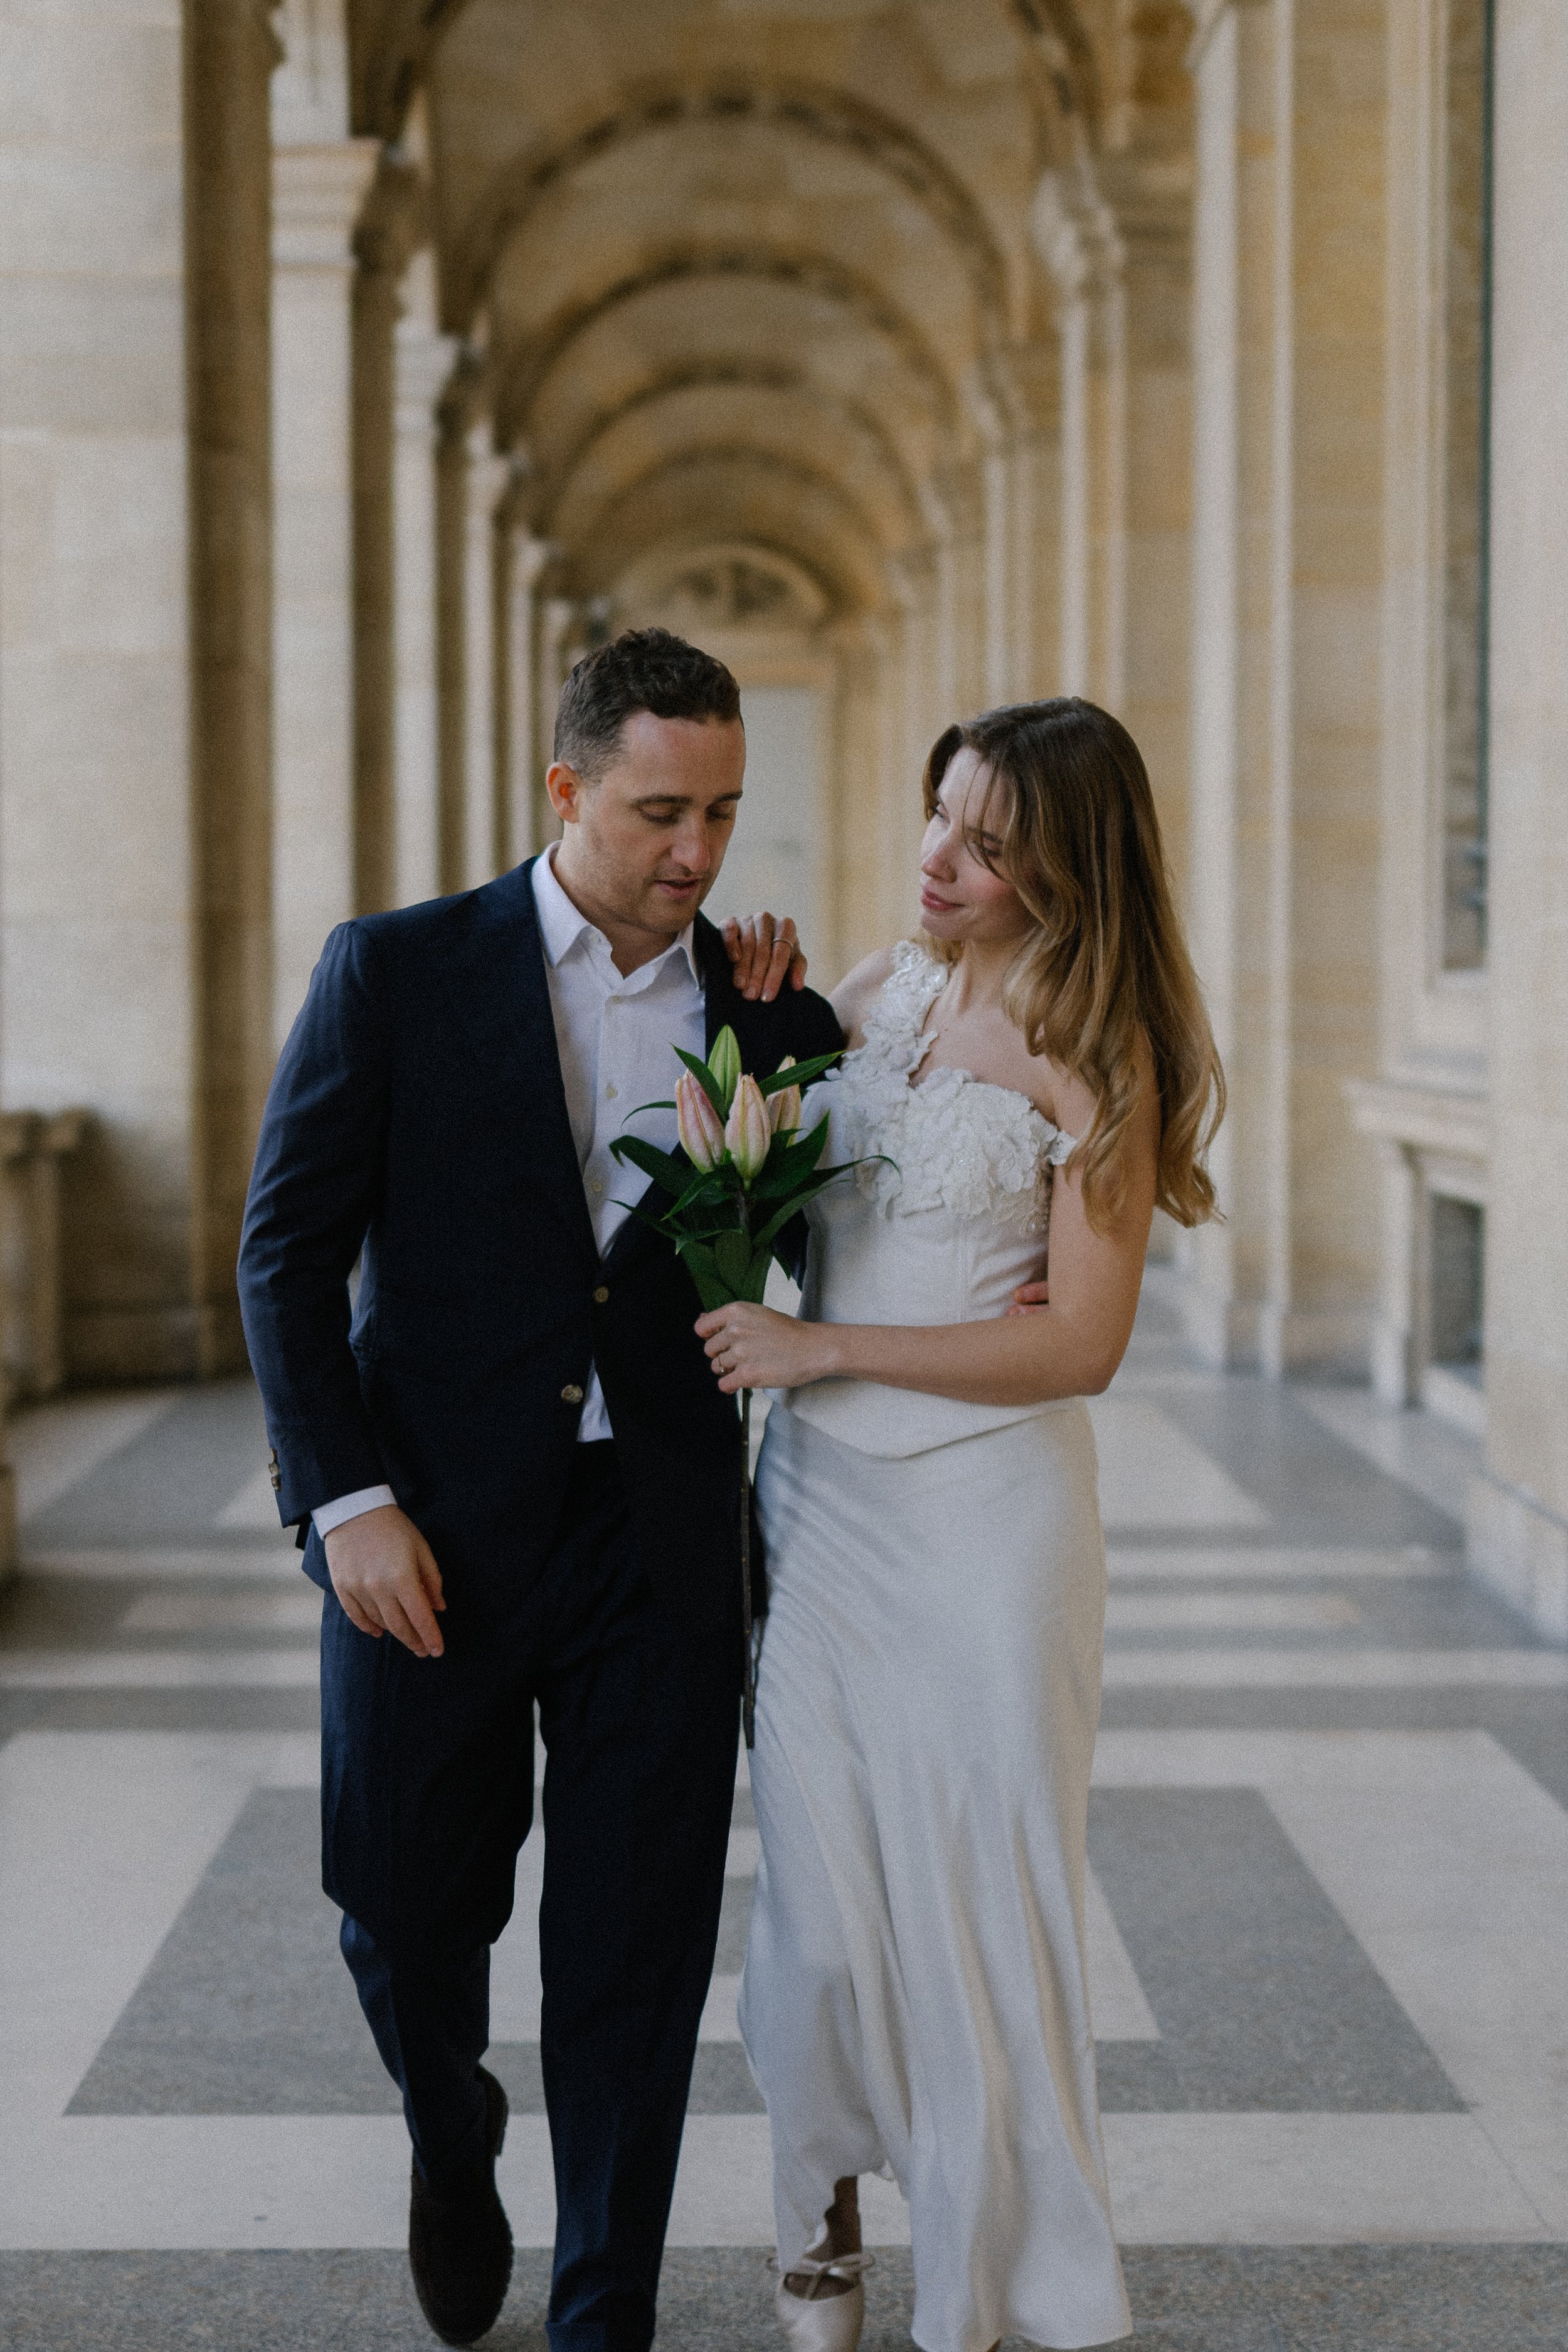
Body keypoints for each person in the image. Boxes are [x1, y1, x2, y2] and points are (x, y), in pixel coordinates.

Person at [236, 627, 842, 2352]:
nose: (698, 854)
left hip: (654, 1542)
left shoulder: (753, 1004)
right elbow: (283, 1257)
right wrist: (344, 1501)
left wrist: (793, 1054)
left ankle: (603, 2316)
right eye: (662, 811)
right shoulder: (397, 970)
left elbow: (781, 1250)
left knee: (633, 1958)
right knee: (405, 1918)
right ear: (566, 790)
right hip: (424, 1535)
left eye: (723, 813)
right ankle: (451, 2133)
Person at [698, 699, 1226, 2352]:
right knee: (818, 1915)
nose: (937, 857)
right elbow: (761, 1234)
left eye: (986, 841)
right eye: (938, 815)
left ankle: (1000, 2264)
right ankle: (819, 2211)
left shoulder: (1104, 1056)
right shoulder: (868, 995)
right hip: (823, 1513)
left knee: (983, 1900)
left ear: (1061, 865)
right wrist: (751, 1073)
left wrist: (826, 1349)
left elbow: (1080, 1341)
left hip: (989, 1534)